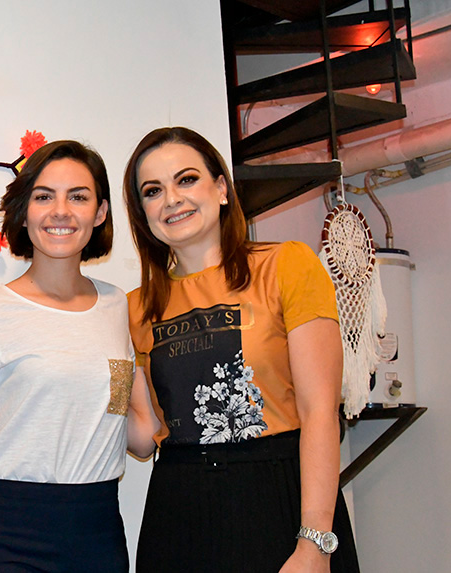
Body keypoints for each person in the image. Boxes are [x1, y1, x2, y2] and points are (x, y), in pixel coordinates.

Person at [122, 126, 360, 572]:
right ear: (142, 213)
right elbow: (141, 436)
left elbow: (319, 412)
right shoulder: (134, 309)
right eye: (152, 191)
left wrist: (314, 542)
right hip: (178, 510)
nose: (171, 199)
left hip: (278, 498)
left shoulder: (286, 265)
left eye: (186, 179)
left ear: (221, 189)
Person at [0, 140, 156, 572]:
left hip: (98, 525)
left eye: (78, 197)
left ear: (100, 213)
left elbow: (141, 435)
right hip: (7, 526)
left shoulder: (118, 306)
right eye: (44, 196)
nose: (60, 211)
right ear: (24, 211)